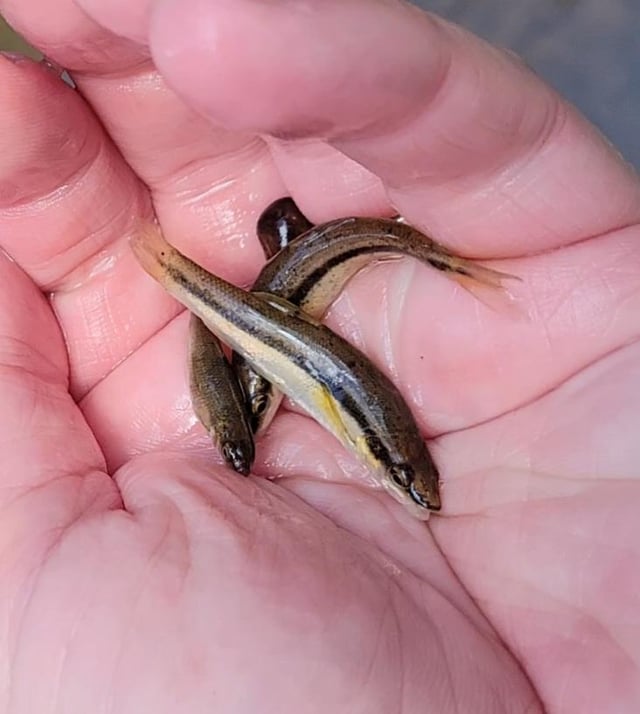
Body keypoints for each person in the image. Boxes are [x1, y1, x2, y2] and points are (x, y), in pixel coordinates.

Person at [0, 1, 638, 712]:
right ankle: (179, 273)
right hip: (279, 322)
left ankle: (185, 274)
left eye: (408, 483)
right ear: (386, 458)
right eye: (405, 481)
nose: (412, 496)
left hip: (281, 320)